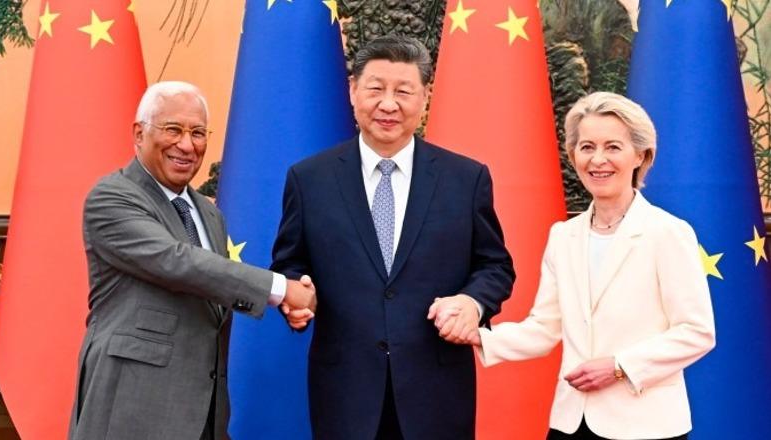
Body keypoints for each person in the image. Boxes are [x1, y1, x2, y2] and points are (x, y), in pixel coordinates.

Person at [271, 35, 515, 439]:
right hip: (345, 394)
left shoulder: (465, 179)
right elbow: (290, 263)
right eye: (376, 89)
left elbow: (495, 266)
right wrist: (297, 297)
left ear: (425, 97)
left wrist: (472, 303)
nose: (388, 104)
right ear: (353, 91)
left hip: (437, 394)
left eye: (403, 91)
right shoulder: (309, 179)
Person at [437, 92, 716, 439]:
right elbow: (545, 328)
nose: (598, 159)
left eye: (613, 147)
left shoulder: (668, 232)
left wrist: (619, 367)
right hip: (570, 420)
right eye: (586, 147)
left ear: (640, 155)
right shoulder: (563, 236)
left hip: (646, 426)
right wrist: (476, 335)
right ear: (573, 156)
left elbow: (696, 331)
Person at [68, 81, 316, 440]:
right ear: (139, 133)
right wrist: (280, 289)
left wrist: (287, 302)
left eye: (198, 133)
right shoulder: (112, 197)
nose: (187, 145)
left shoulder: (208, 213)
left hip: (202, 413)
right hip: (131, 408)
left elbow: (213, 287)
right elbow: (177, 262)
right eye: (173, 129)